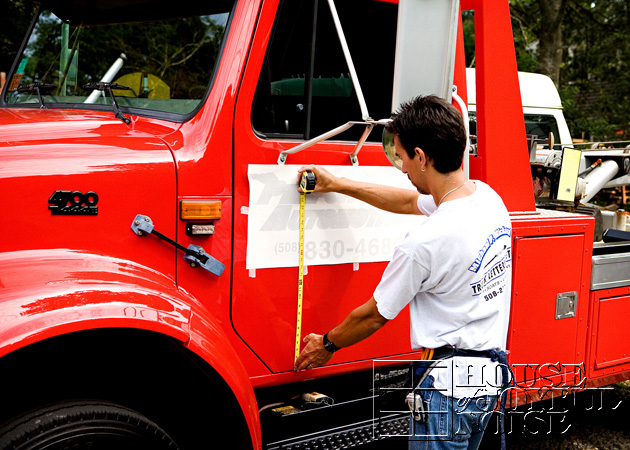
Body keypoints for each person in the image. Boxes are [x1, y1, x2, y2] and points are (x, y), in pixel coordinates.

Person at [294, 95, 512, 450]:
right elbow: (409, 202)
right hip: (487, 382)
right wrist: (338, 184)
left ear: (422, 157)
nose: (401, 167)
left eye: (401, 156)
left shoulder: (423, 243)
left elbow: (373, 316)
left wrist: (328, 343)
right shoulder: (488, 200)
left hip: (447, 393)